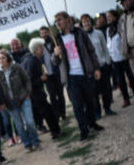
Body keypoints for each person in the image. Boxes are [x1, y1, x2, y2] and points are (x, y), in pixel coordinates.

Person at [53, 11, 105, 141]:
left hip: (85, 73)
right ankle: (84, 130)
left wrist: (96, 68)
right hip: (71, 77)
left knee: (90, 101)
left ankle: (92, 123)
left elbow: (91, 50)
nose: (57, 23)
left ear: (67, 20)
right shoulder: (56, 39)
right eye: (56, 21)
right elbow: (54, 62)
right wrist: (55, 54)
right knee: (77, 105)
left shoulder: (79, 32)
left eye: (59, 20)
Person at [0, 49, 40, 151]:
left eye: (3, 58)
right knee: (19, 125)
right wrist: (1, 102)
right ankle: (27, 143)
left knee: (30, 122)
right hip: (9, 103)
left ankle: (35, 141)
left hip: (24, 98)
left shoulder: (17, 67)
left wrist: (28, 93)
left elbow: (27, 80)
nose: (1, 60)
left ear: (8, 58)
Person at [22, 38, 63, 139]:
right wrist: (41, 79)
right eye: (42, 47)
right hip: (35, 94)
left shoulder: (32, 58)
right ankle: (55, 132)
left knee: (48, 111)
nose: (43, 49)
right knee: (48, 112)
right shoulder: (31, 60)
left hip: (36, 93)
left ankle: (55, 131)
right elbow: (29, 80)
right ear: (37, 49)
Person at [80, 13, 116, 118]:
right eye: (84, 22)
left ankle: (108, 108)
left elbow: (105, 47)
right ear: (82, 24)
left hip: (102, 65)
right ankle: (97, 112)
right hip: (91, 69)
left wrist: (107, 61)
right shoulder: (81, 36)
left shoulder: (99, 33)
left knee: (106, 89)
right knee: (94, 92)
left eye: (87, 21)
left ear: (91, 22)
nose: (86, 23)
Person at [106, 9, 134, 107]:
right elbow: (109, 43)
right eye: (107, 16)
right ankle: (126, 99)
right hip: (115, 59)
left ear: (115, 17)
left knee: (131, 77)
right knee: (120, 80)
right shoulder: (108, 30)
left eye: (110, 16)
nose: (108, 18)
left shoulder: (121, 26)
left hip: (125, 57)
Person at [0, 45, 18, 146]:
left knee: (15, 117)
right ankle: (10, 137)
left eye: (1, 53)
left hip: (10, 95)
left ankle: (18, 135)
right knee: (6, 120)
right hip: (0, 97)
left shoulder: (10, 63)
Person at [40, 26, 66, 120]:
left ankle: (63, 113)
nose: (44, 34)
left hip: (57, 72)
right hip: (48, 75)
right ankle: (56, 114)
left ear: (48, 32)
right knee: (52, 96)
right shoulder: (40, 46)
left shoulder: (54, 41)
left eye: (45, 32)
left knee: (60, 94)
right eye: (42, 33)